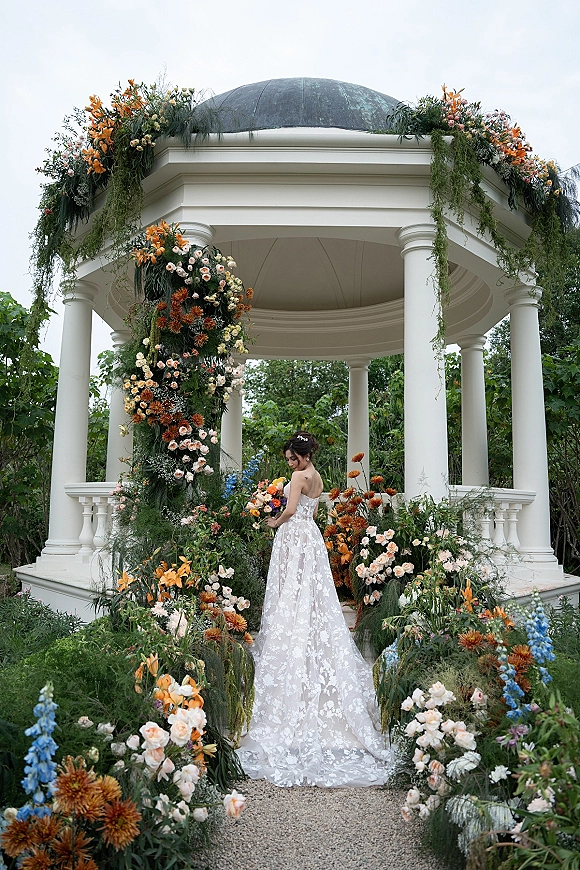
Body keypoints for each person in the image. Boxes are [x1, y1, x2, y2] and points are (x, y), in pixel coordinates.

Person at [236, 431, 394, 787]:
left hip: (294, 536)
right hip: (312, 540)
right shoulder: (318, 475)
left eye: (293, 457)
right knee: (310, 595)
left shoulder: (297, 478)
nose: (290, 463)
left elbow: (291, 510)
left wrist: (272, 521)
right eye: (289, 459)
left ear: (303, 455)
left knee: (290, 593)